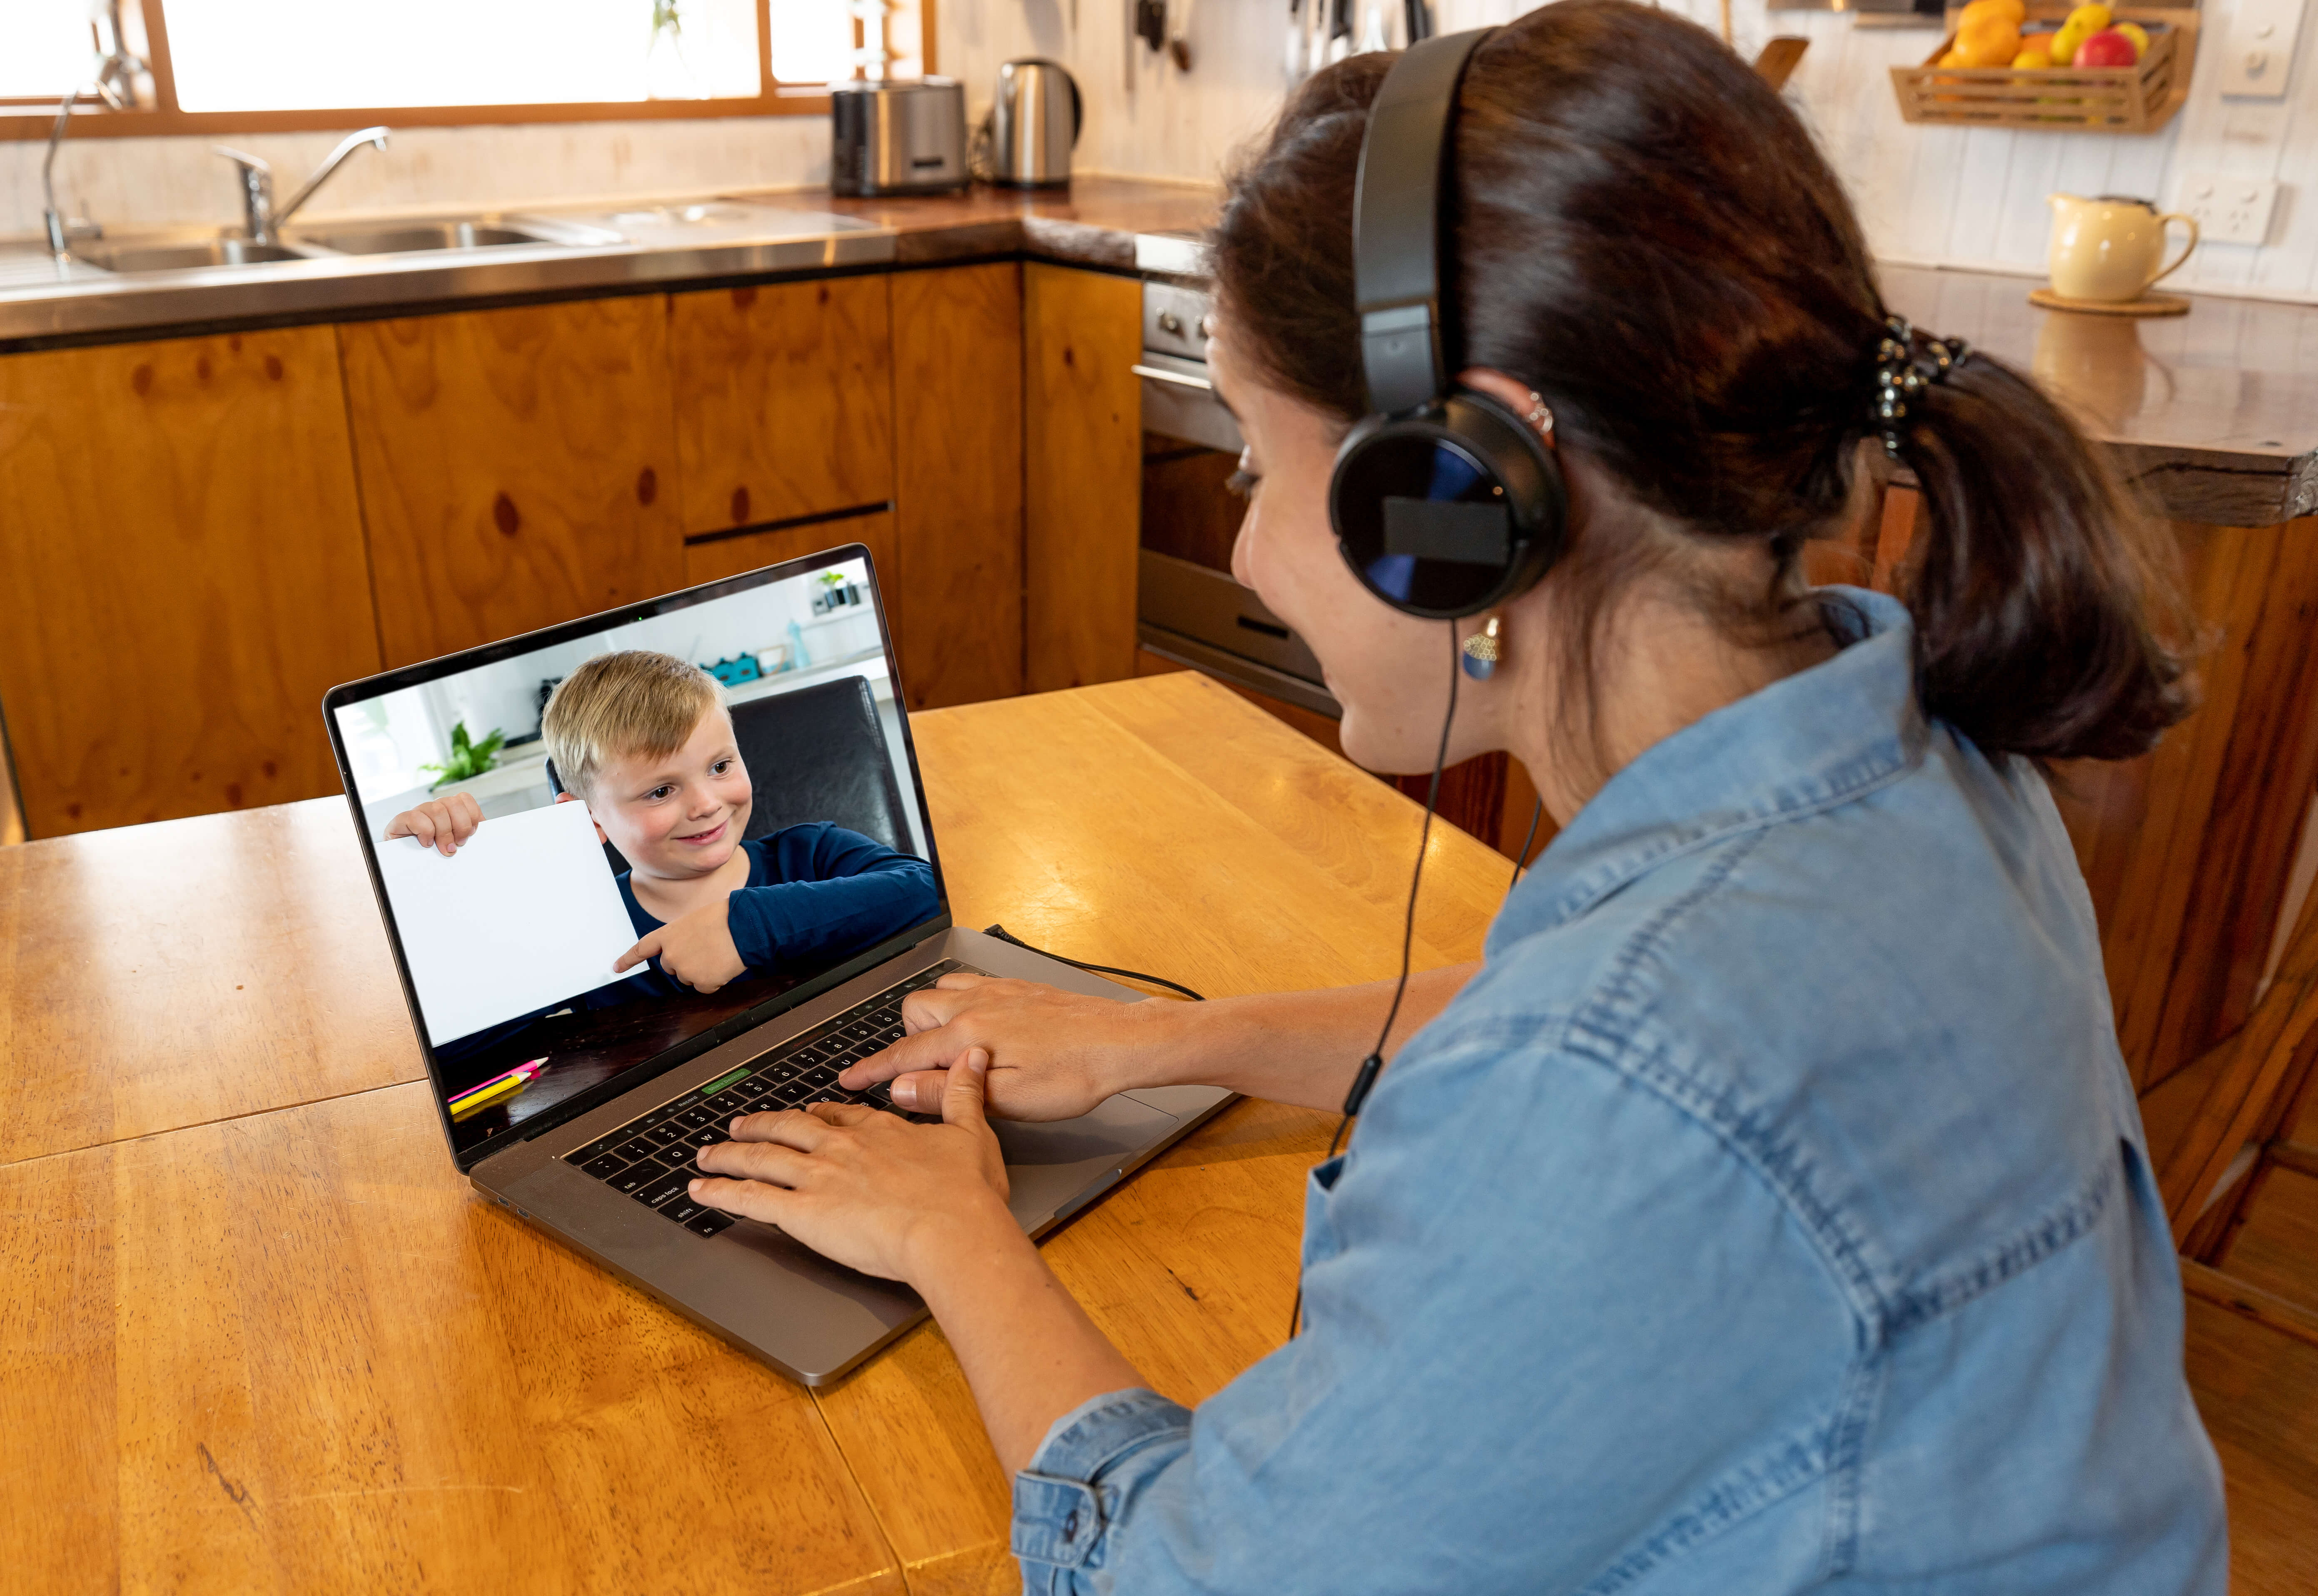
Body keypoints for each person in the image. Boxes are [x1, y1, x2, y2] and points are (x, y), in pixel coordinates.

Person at [686, 7, 2228, 1590]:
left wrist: (956, 1236)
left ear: (1455, 500)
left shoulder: (1613, 1070)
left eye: (1254, 469)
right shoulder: (1904, 728)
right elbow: (1589, 1012)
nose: (1242, 553)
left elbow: (1177, 1576)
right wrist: (1175, 1038)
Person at [386, 650, 936, 998]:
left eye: (720, 767)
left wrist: (749, 927)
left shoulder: (814, 853)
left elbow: (927, 893)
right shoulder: (581, 930)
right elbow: (455, 1045)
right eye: (661, 790)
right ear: (587, 816)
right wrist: (426, 886)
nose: (705, 803)